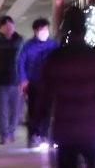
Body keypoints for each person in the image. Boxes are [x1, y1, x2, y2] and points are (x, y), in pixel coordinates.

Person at [39, 6, 95, 168]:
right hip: (91, 124)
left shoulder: (56, 57)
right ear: (84, 29)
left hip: (64, 125)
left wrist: (38, 119)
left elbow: (45, 91)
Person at [17, 17, 59, 146]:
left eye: (46, 29)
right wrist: (23, 79)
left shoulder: (53, 45)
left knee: (47, 110)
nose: (44, 32)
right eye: (42, 29)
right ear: (35, 31)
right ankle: (33, 134)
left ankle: (44, 134)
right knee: (34, 110)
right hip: (33, 83)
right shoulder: (27, 46)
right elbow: (20, 62)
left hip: (49, 83)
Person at [0, 15, 24, 145]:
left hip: (16, 80)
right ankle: (4, 135)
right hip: (0, 81)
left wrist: (24, 78)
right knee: (2, 110)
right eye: (6, 26)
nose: (9, 28)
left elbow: (23, 60)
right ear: (0, 28)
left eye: (11, 25)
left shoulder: (19, 41)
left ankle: (12, 132)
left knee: (16, 110)